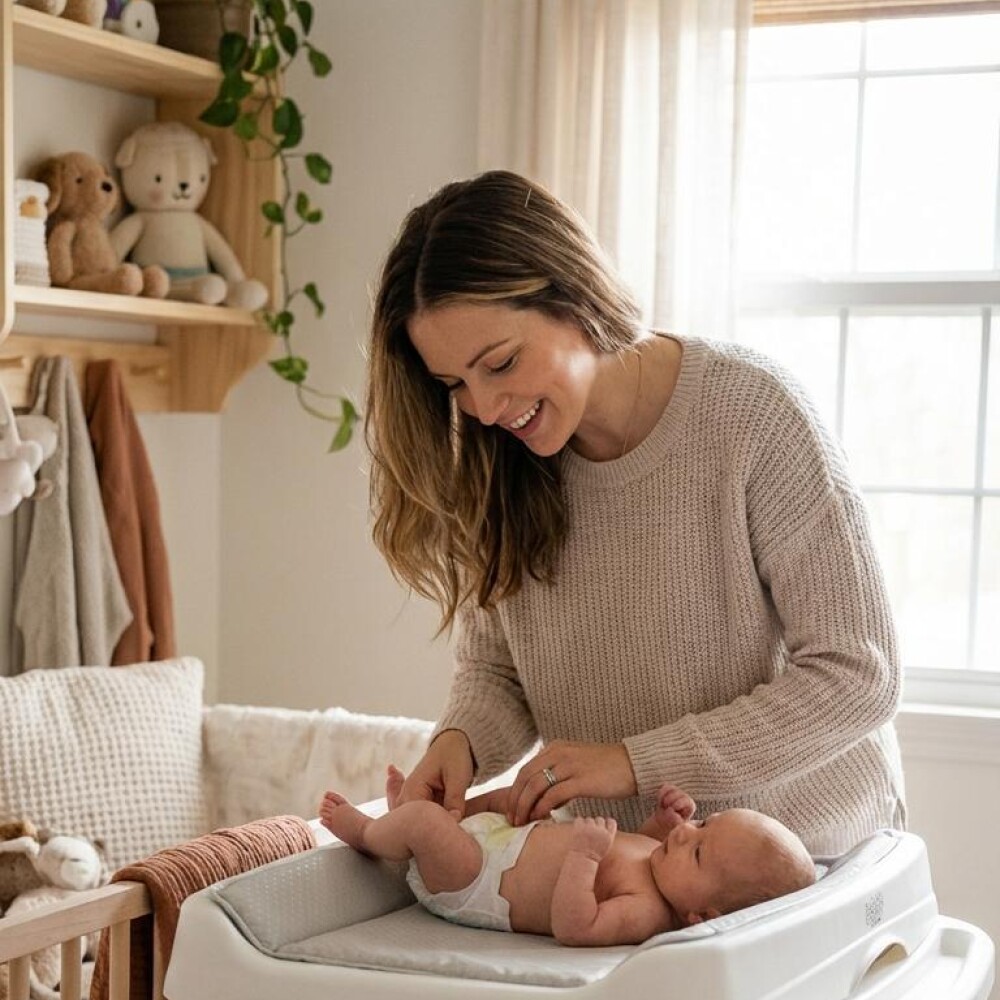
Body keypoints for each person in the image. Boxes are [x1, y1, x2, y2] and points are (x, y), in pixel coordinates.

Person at [365, 169, 905, 857]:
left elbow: (859, 673)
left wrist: (634, 762)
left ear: (572, 294)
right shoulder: (500, 467)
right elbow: (500, 671)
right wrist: (460, 743)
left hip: (804, 859)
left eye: (499, 363)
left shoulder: (752, 416)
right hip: (631, 873)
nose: (485, 409)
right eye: (454, 386)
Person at [319, 768, 816, 946]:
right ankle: (408, 815)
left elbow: (576, 927)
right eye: (703, 823)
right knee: (509, 796)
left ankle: (368, 831)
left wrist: (583, 857)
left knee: (427, 829)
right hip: (504, 840)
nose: (686, 833)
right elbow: (633, 847)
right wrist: (659, 822)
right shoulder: (663, 860)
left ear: (701, 915)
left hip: (478, 883)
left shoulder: (648, 911)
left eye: (700, 850)